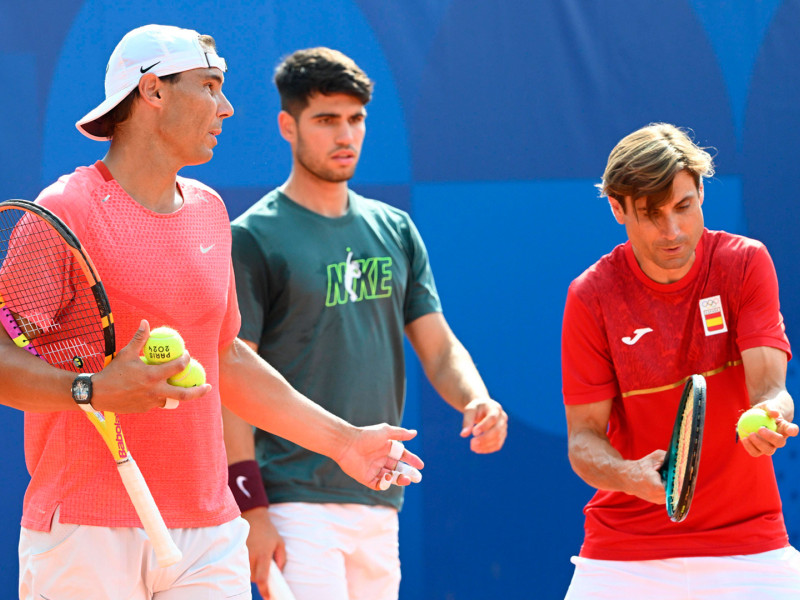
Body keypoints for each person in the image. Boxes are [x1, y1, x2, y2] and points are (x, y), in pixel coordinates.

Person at [5, 25, 423, 600]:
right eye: (209, 86)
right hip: (85, 527)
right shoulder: (64, 212)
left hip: (209, 530)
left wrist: (344, 441)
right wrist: (92, 390)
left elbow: (224, 358)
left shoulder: (209, 212)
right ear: (153, 92)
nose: (225, 108)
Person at [222, 47, 508, 600]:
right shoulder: (252, 237)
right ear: (288, 125)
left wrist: (476, 398)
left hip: (380, 493)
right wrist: (251, 505)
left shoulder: (395, 228)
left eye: (355, 119)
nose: (344, 135)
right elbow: (234, 378)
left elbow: (439, 346)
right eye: (326, 119)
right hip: (292, 500)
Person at [561, 122, 800, 599]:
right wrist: (630, 476)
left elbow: (771, 390)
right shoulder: (591, 296)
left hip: (749, 544)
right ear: (617, 208)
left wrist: (770, 413)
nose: (673, 231)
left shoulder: (746, 264)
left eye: (684, 207)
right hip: (623, 551)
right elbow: (583, 441)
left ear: (701, 194)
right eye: (651, 214)